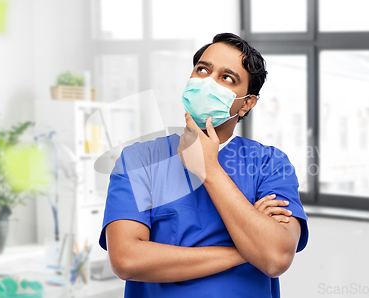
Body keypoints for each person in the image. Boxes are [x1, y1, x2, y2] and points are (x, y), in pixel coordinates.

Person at [99, 33, 309, 298]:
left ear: (246, 104)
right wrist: (248, 249)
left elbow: (276, 257)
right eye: (202, 70)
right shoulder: (140, 160)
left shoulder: (270, 164)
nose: (208, 82)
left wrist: (209, 170)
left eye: (227, 78)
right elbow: (127, 260)